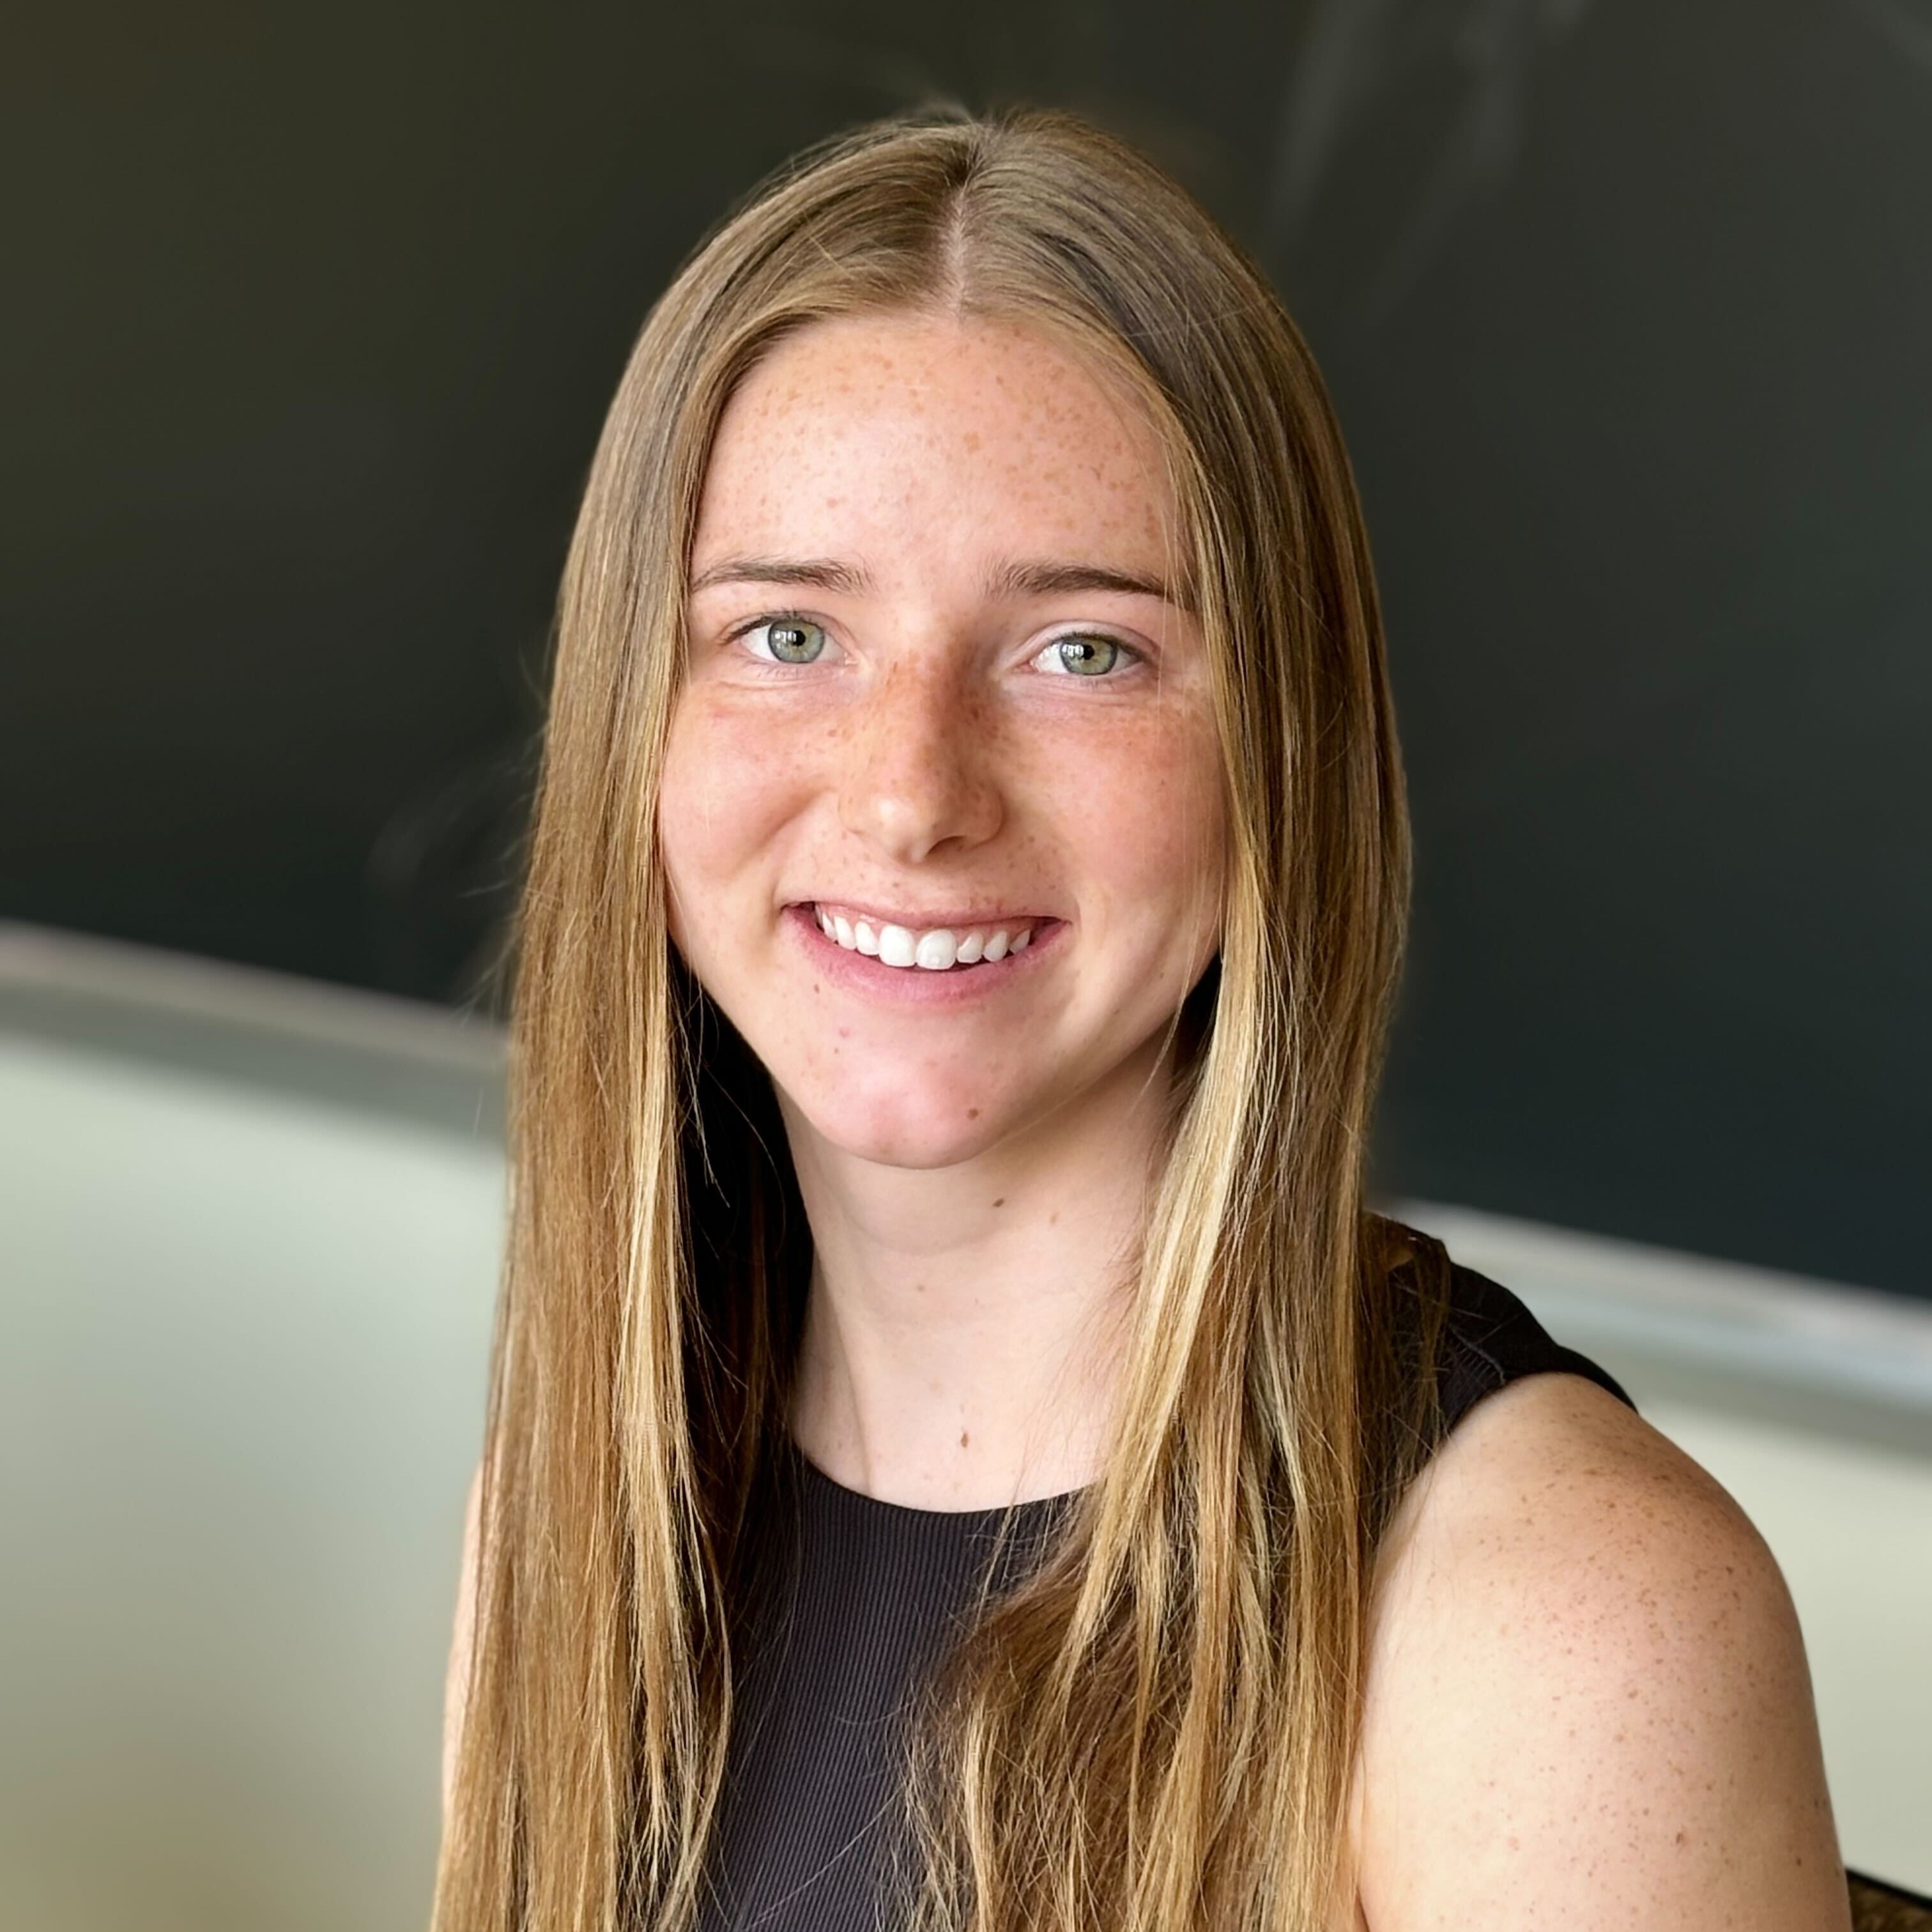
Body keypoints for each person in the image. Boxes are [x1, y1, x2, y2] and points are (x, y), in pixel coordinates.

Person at [433, 108, 1848, 1932]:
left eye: (1083, 652)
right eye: (789, 634)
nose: (911, 794)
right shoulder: (579, 1510)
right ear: (636, 726)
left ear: (1281, 756)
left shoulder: (1564, 1624)